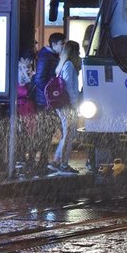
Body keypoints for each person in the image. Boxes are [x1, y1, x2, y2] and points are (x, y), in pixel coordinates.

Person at [33, 32, 65, 176]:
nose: (63, 46)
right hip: (45, 101)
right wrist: (51, 93)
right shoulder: (46, 57)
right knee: (45, 131)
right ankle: (40, 162)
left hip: (47, 101)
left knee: (47, 131)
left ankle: (41, 161)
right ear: (54, 45)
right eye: (61, 44)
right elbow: (39, 79)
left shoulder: (50, 56)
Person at [50, 40, 81, 175]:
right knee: (68, 134)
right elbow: (69, 87)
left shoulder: (63, 64)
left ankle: (58, 161)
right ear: (73, 52)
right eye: (78, 51)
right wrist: (76, 105)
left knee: (68, 133)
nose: (79, 54)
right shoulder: (69, 65)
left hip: (64, 105)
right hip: (68, 106)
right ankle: (62, 163)